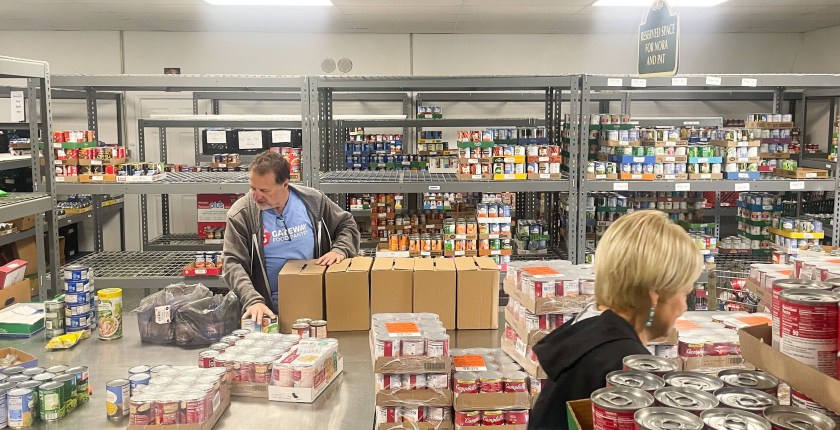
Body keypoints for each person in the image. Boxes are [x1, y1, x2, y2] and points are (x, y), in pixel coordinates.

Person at [528, 210, 703, 430]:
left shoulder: (588, 326)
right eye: (684, 292)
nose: (684, 308)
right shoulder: (628, 369)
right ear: (655, 296)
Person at [223, 151, 360, 323]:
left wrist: (341, 249)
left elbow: (347, 224)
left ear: (285, 184)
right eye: (253, 188)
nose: (256, 196)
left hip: (316, 305)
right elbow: (232, 262)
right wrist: (252, 300)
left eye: (264, 190)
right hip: (267, 313)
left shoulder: (313, 201)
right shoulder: (241, 215)